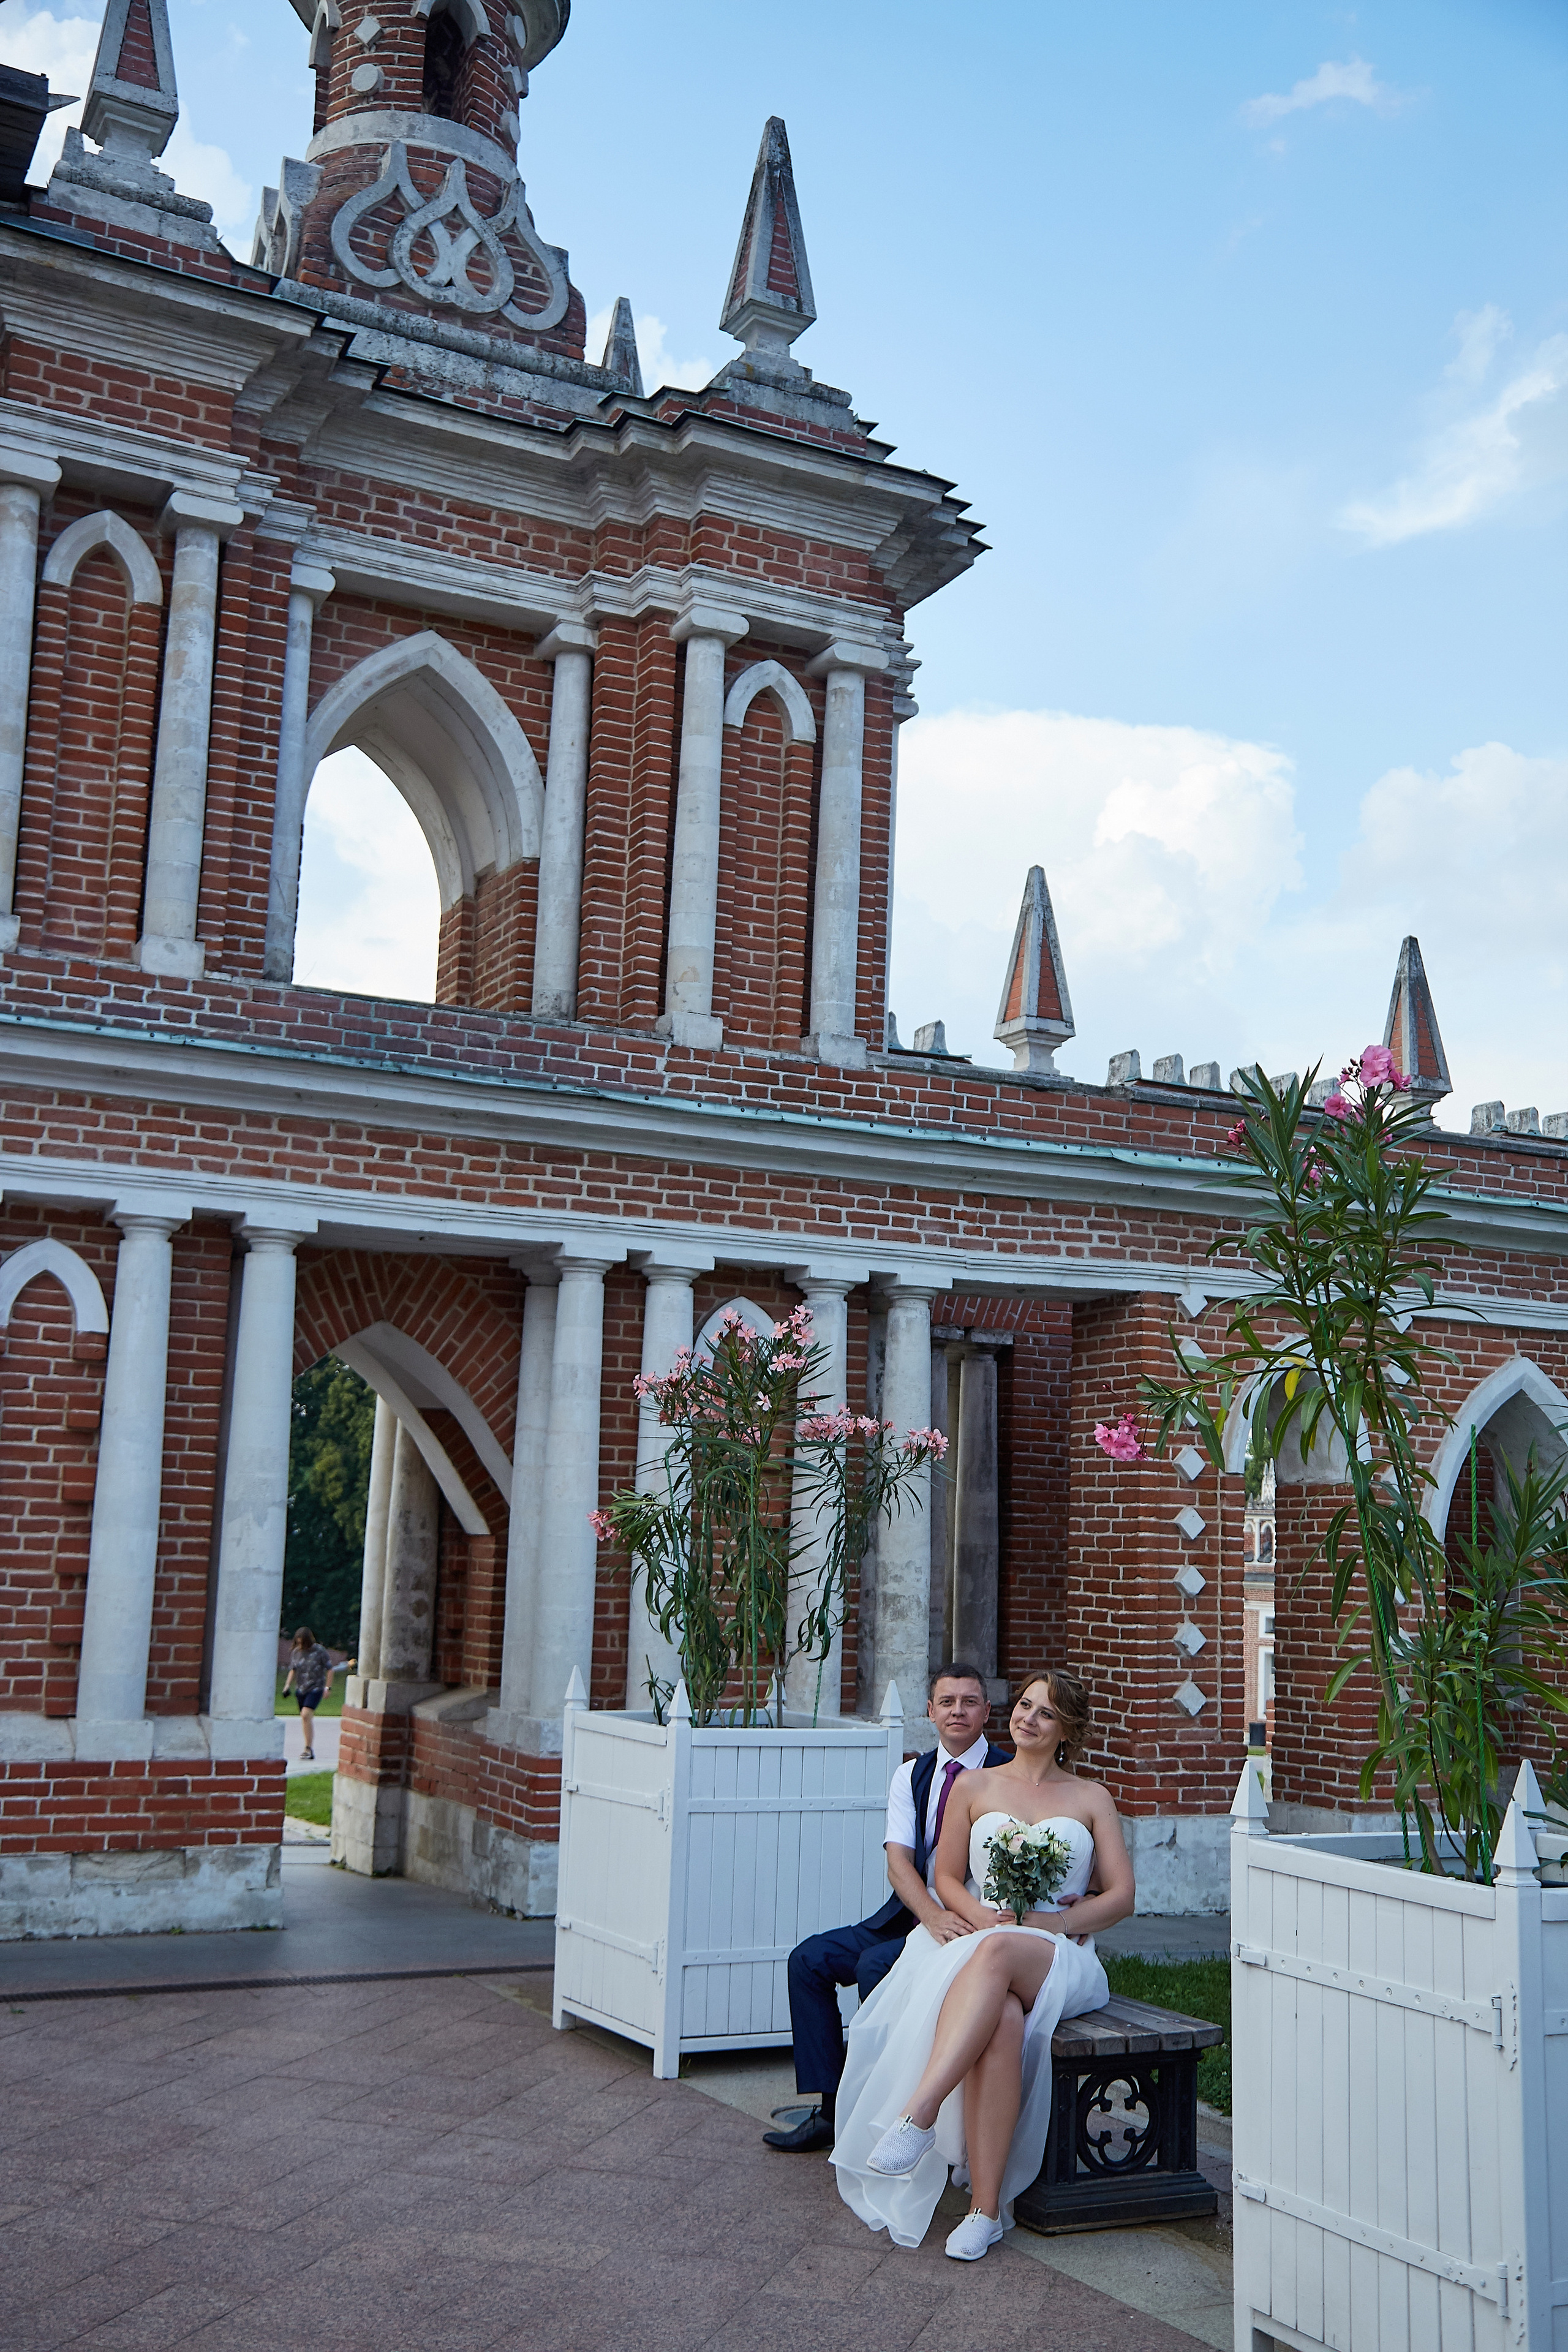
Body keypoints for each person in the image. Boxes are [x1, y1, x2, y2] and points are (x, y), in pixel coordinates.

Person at [831, 1667, 1134, 2261]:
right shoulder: (973, 1787)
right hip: (985, 1937)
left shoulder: (1091, 1797)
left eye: (1045, 1712)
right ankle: (985, 2211)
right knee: (1001, 2023)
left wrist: (1060, 1921)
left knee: (998, 1954)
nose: (1027, 1718)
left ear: (1067, 1727)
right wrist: (977, 1914)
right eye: (1024, 1705)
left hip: (1059, 1955)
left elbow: (1121, 1895)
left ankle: (918, 2114)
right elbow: (944, 1877)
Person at [762, 1661, 1013, 2155]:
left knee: (876, 1966)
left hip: (976, 1923)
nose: (957, 1711)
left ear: (987, 1711)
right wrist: (931, 1915)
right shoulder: (912, 1774)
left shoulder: (1008, 1774)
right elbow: (898, 1863)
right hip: (914, 1915)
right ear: (930, 1712)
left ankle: (897, 2113)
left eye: (969, 1702)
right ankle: (834, 2111)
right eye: (947, 1702)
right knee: (809, 1960)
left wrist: (951, 1920)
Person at [282, 1626, 334, 1762]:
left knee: (306, 1714)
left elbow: (330, 1669)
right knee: (305, 1718)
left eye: (303, 1643)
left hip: (316, 1688)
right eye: (298, 1642)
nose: (301, 1645)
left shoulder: (319, 1651)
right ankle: (309, 1749)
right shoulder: (296, 1652)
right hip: (301, 1689)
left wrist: (328, 1688)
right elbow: (293, 1670)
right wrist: (287, 1686)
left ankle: (308, 1748)